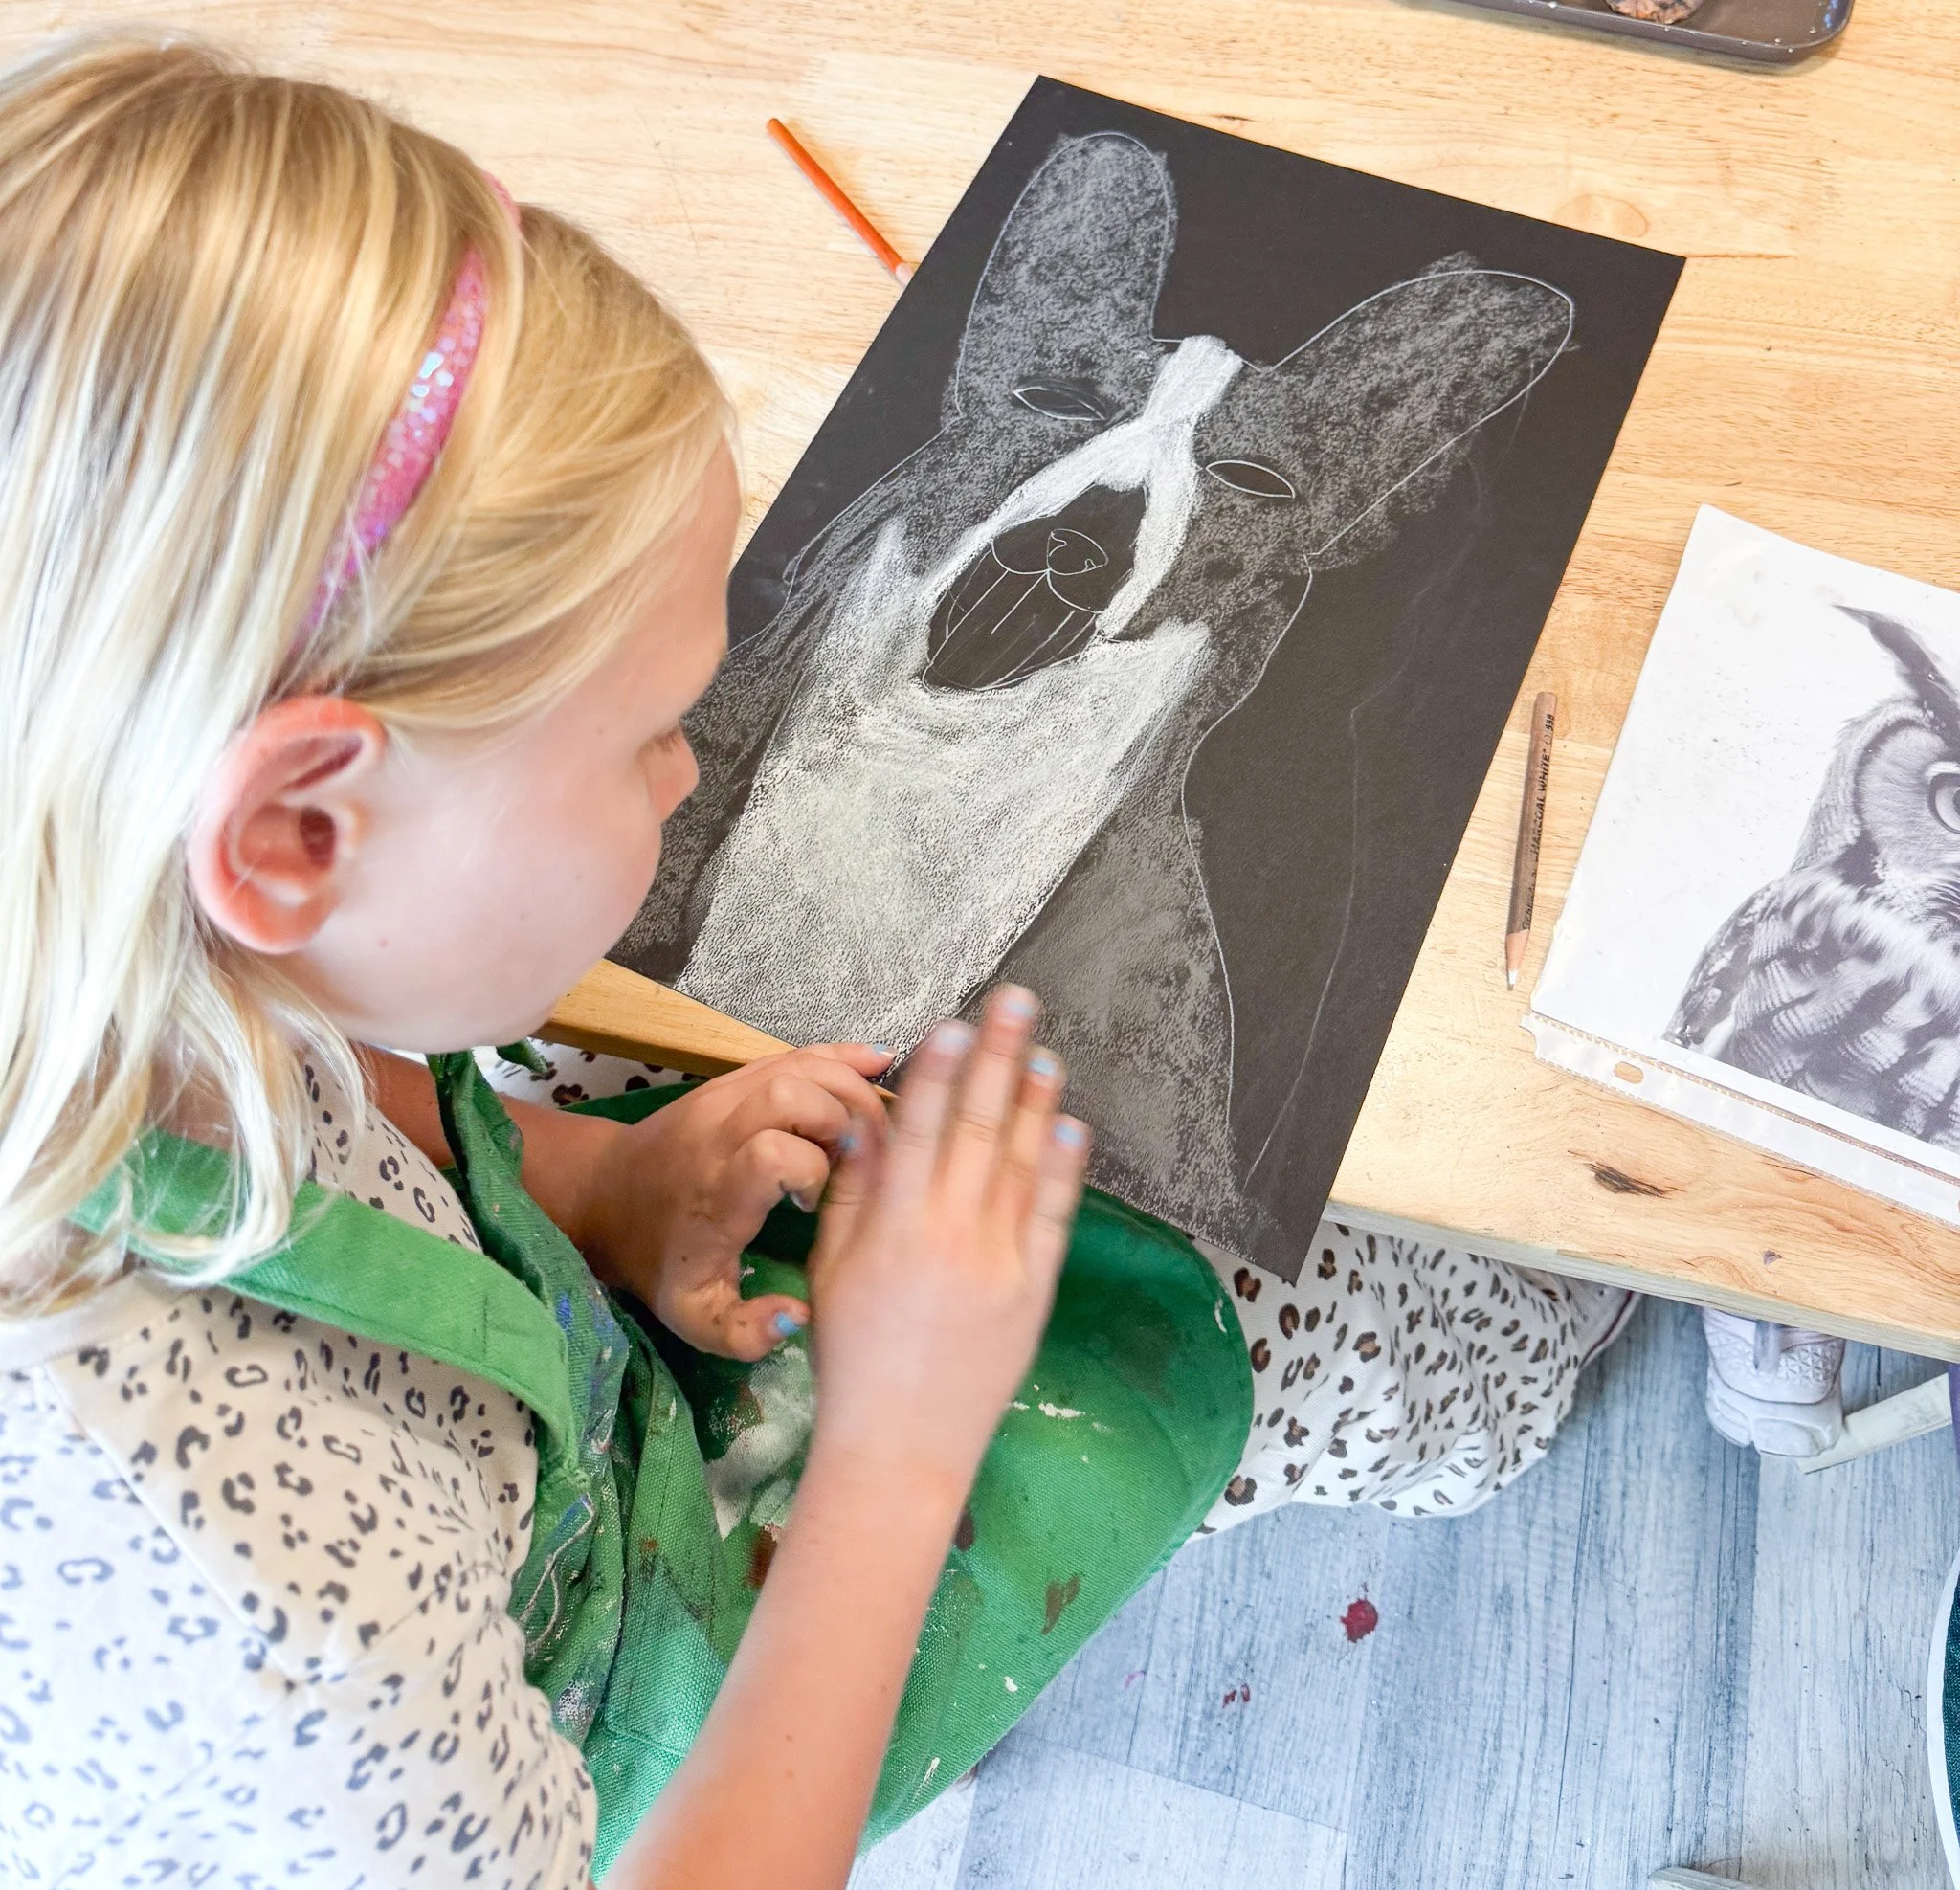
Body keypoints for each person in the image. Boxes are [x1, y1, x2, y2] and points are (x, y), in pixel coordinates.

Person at [0, 33, 1632, 1889]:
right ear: (296, 830)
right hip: (642, 1756)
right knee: (1303, 1317)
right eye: (651, 739)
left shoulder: (110, 905)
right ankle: (1495, 1398)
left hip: (552, 1386)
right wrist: (897, 1451)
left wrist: (607, 1182)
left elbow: (366, 1125)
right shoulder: (295, 1657)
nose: (698, 770)